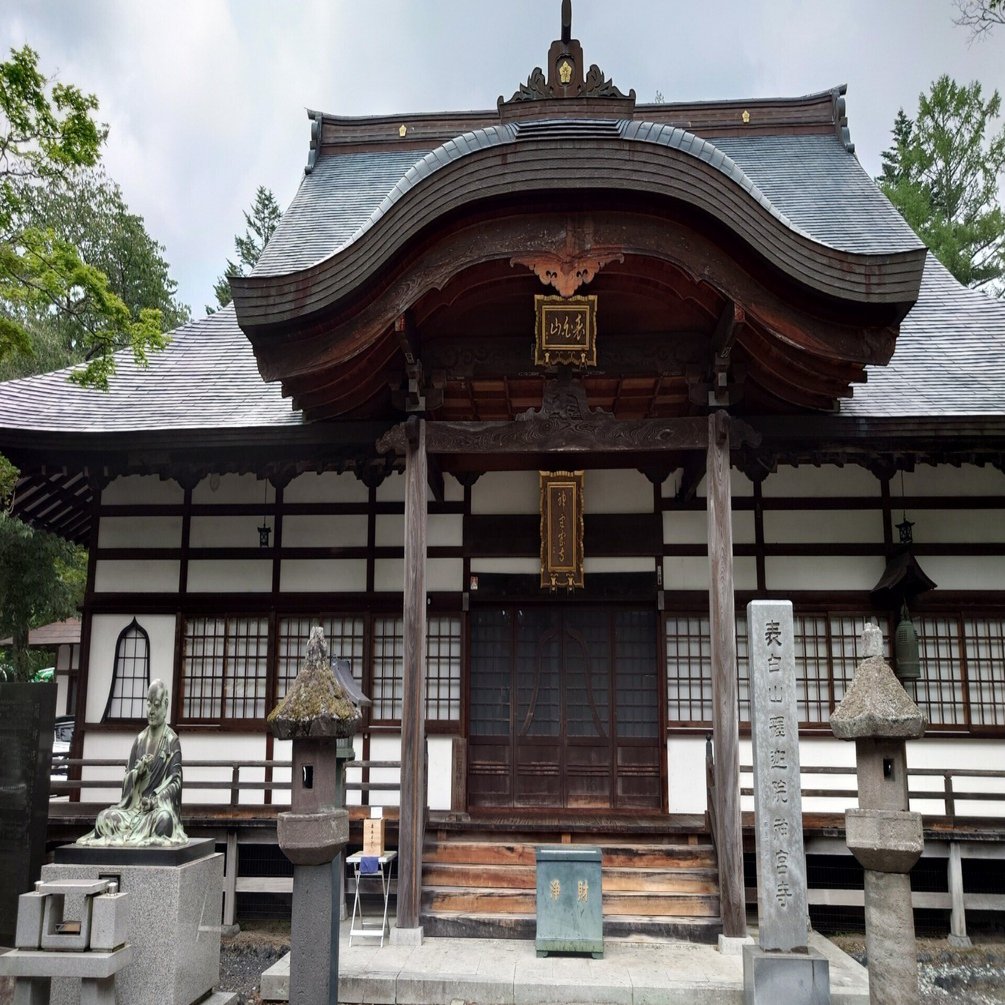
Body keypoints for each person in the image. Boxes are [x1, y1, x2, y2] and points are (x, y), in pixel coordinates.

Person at [78, 679, 188, 847]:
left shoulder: (171, 741)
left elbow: (175, 781)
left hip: (155, 810)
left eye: (156, 705)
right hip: (133, 810)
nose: (151, 711)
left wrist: (154, 801)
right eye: (148, 704)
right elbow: (127, 780)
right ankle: (133, 834)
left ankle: (141, 833)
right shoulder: (140, 740)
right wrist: (138, 772)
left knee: (164, 820)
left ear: (165, 705)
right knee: (104, 818)